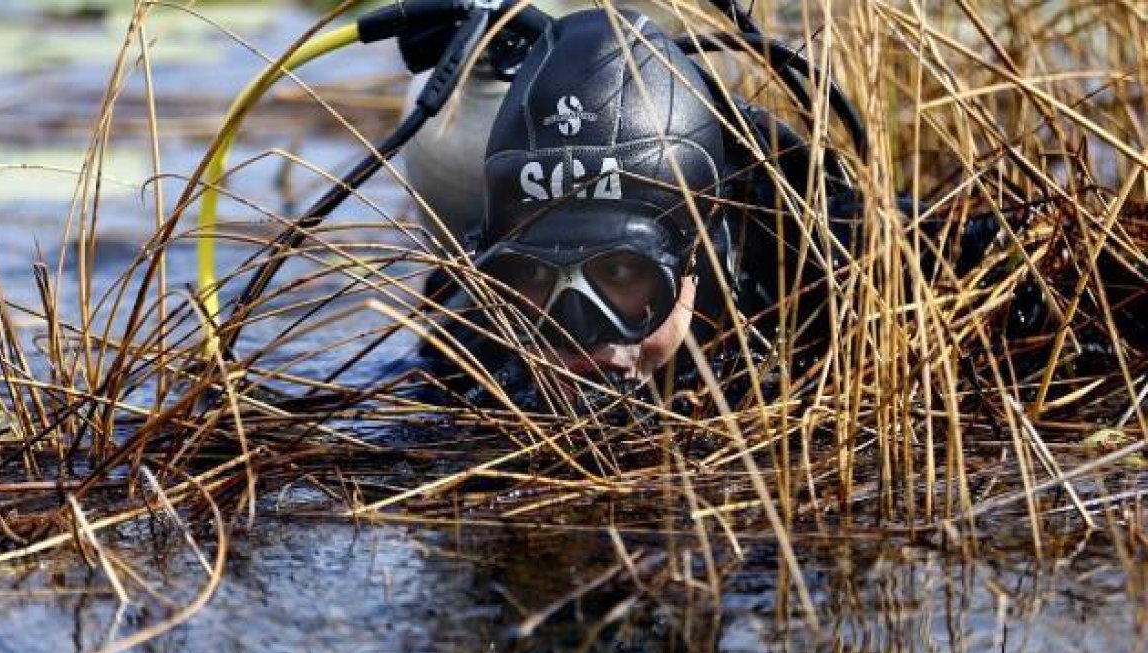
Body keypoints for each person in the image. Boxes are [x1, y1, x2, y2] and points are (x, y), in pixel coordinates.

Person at [398, 7, 1144, 408]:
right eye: (531, 284)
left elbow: (1074, 278)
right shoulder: (472, 337)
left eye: (624, 275)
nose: (584, 348)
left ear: (699, 252)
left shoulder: (837, 269)